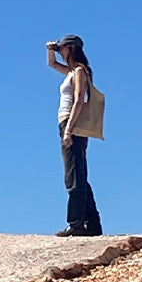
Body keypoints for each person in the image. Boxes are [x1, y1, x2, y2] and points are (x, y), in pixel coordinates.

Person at [46, 34, 103, 236]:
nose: (60, 51)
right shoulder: (71, 71)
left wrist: (69, 129)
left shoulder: (79, 71)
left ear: (71, 48)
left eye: (62, 48)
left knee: (73, 175)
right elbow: (52, 64)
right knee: (79, 173)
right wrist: (50, 49)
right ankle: (93, 224)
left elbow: (79, 99)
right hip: (69, 123)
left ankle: (76, 222)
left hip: (72, 123)